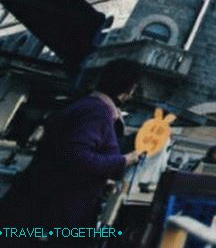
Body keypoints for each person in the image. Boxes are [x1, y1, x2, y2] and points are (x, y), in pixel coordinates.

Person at [0, 59, 144, 229]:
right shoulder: (97, 112)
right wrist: (127, 159)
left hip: (39, 205)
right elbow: (77, 157)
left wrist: (100, 180)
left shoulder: (87, 106)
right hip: (52, 213)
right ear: (129, 88)